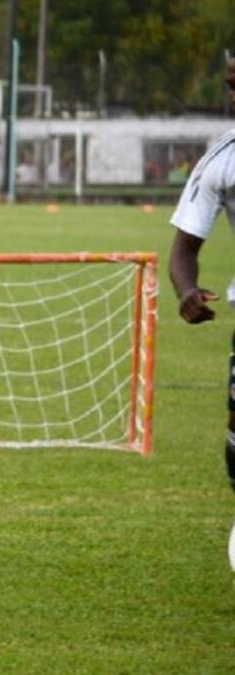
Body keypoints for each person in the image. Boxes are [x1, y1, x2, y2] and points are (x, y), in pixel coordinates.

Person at [168, 57, 235, 495]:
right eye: (231, 83)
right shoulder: (223, 155)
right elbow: (183, 248)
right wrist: (187, 289)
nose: (233, 91)